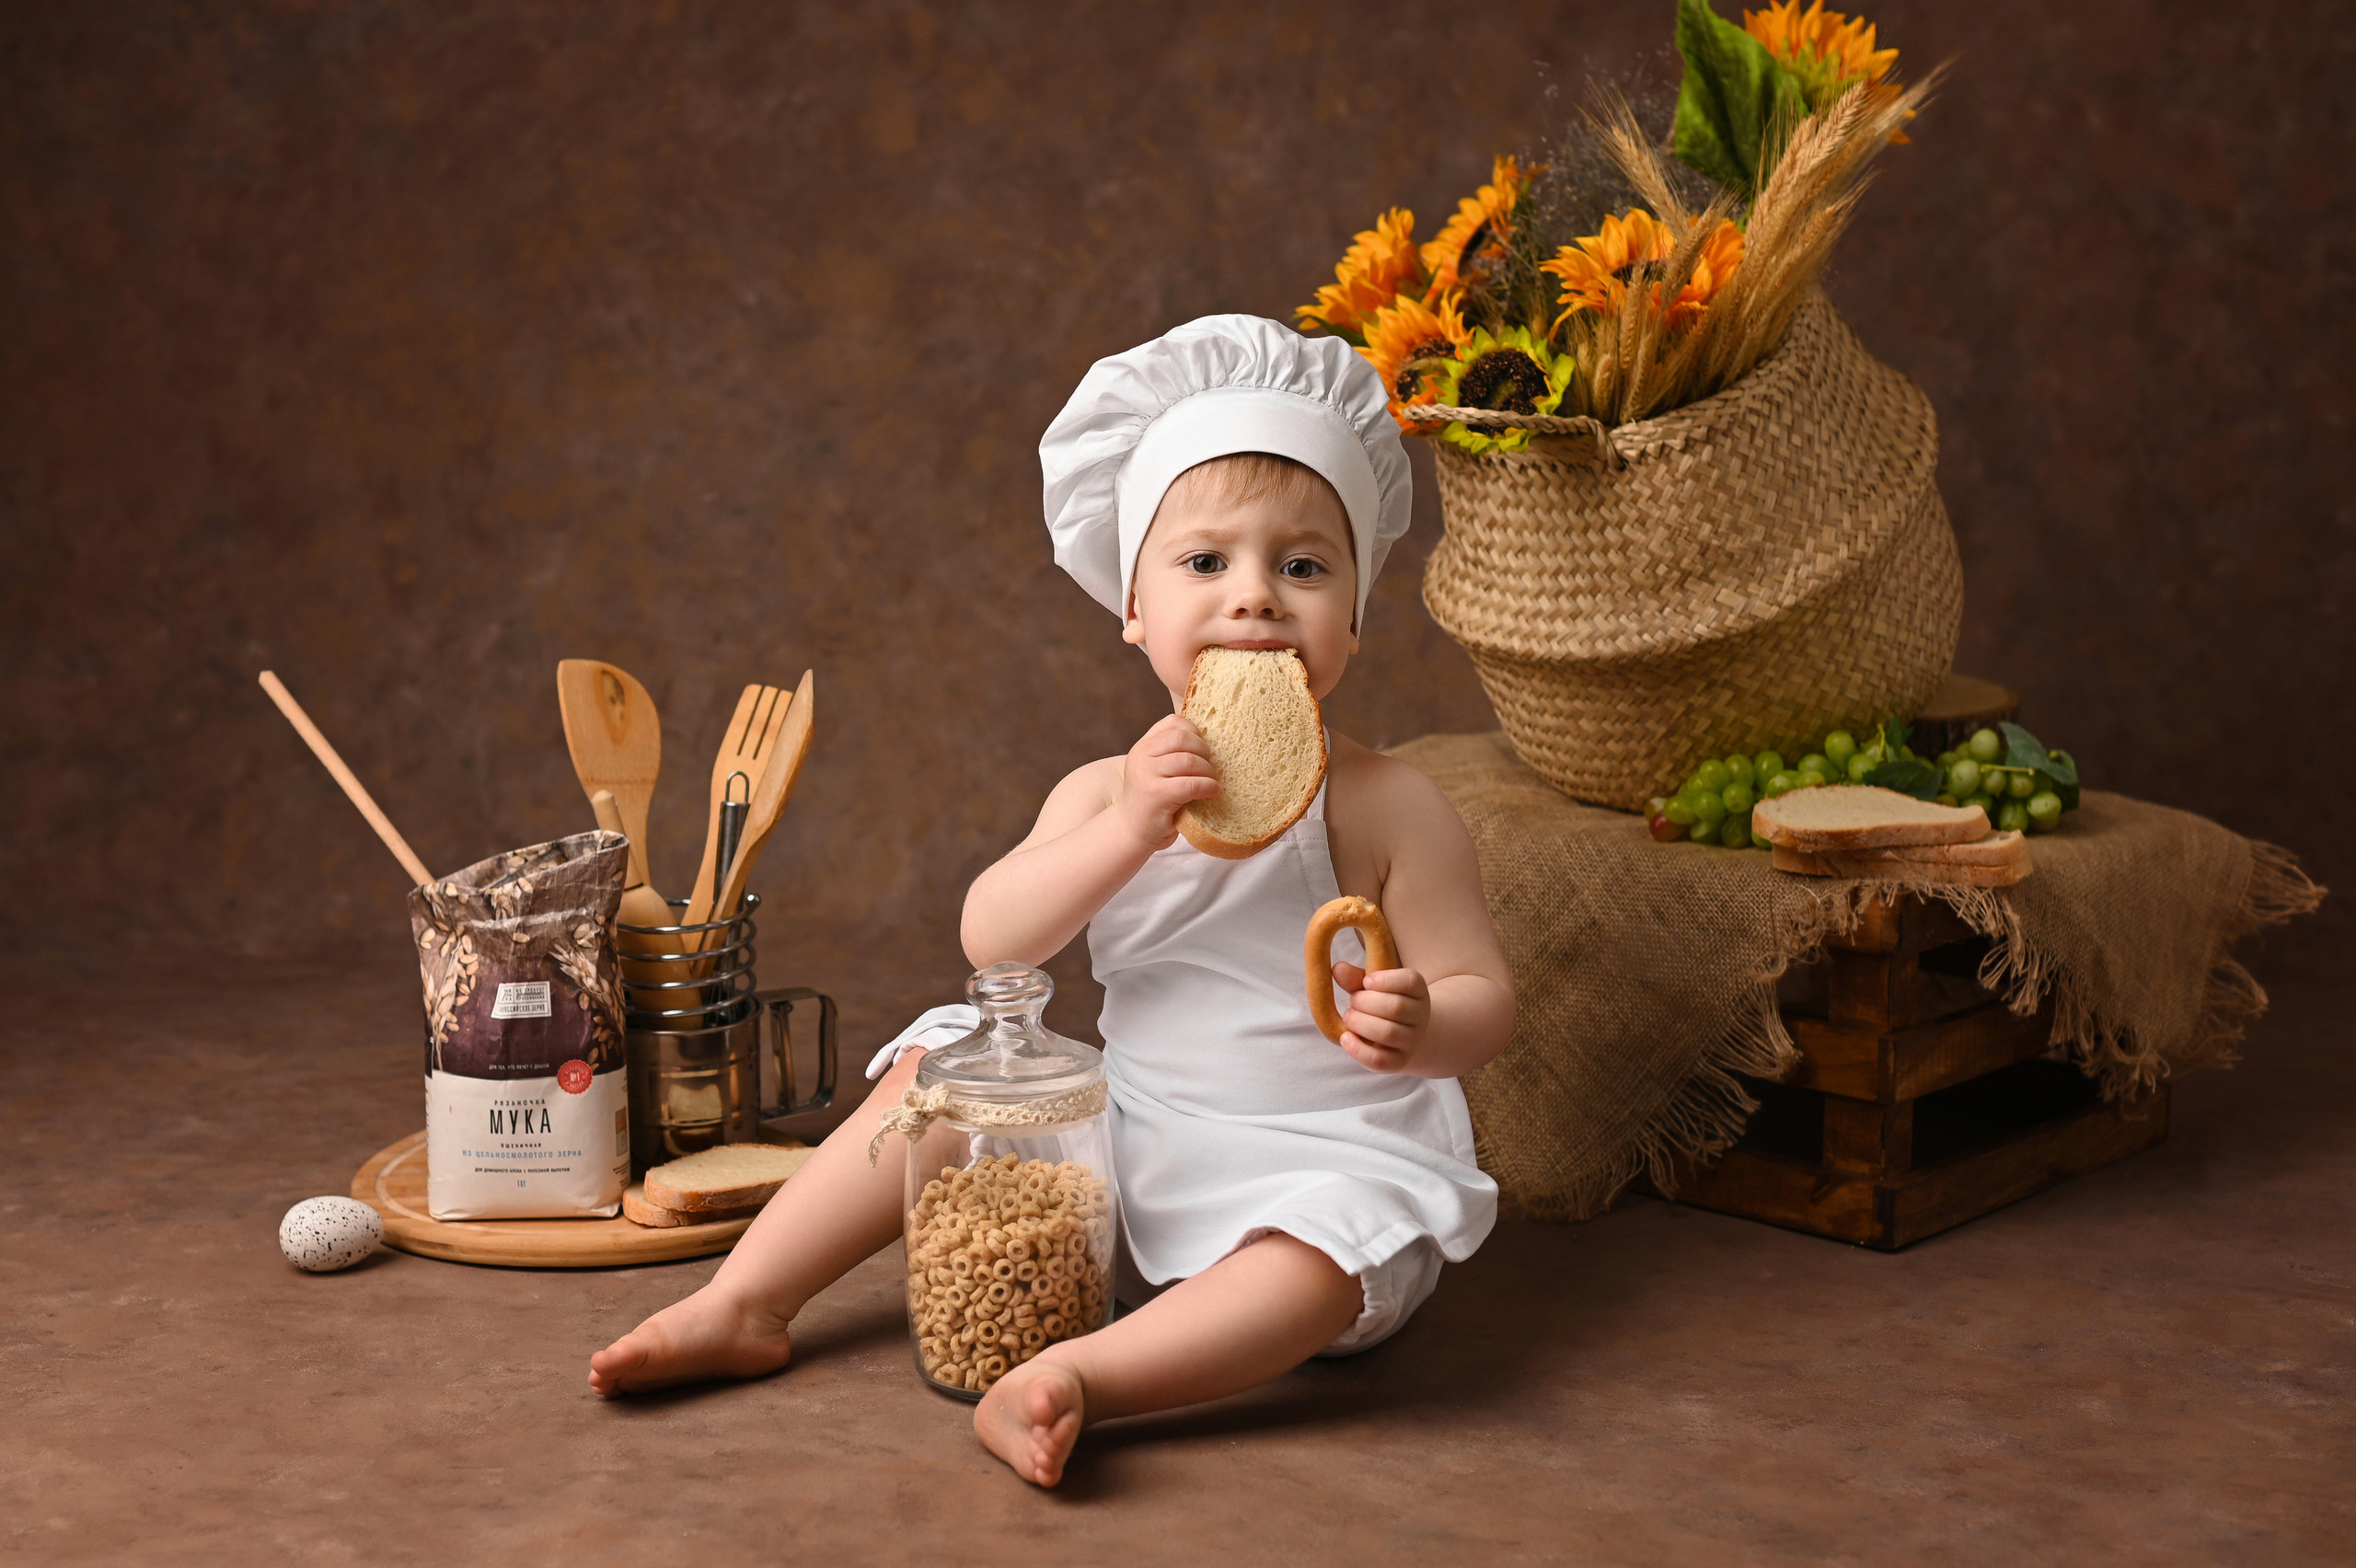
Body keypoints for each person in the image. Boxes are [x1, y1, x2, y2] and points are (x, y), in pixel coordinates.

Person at [588, 315, 1513, 1487]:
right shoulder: (1102, 790)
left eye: (1303, 566)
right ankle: (746, 1300)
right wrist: (1129, 825)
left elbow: (1486, 994)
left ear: (1355, 618)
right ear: (1132, 609)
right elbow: (993, 938)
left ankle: (1086, 1379)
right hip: (1128, 1133)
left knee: (1321, 1262)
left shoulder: (1391, 804)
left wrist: (1427, 1019)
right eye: (1203, 563)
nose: (1255, 599)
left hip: (1316, 1155)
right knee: (942, 1074)